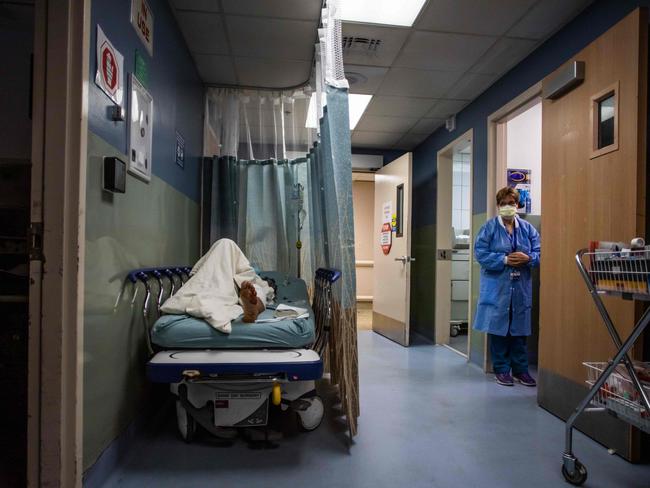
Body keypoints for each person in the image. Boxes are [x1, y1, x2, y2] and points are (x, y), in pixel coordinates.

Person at [473, 187, 541, 387]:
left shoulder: (528, 229)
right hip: (497, 288)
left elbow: (540, 253)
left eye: (511, 203)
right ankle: (501, 369)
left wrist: (528, 258)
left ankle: (521, 370)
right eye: (503, 204)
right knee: (498, 329)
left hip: (520, 288)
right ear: (498, 206)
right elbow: (481, 253)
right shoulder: (489, 228)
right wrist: (504, 259)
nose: (507, 207)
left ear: (518, 205)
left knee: (519, 331)